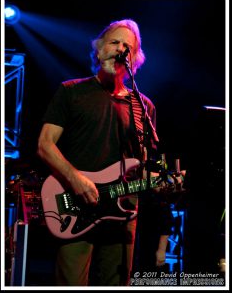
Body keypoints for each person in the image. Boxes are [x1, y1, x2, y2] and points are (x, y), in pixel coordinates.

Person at [37, 19, 172, 286]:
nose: (121, 49)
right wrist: (76, 180)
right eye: (114, 42)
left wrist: (161, 183)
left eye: (128, 47)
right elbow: (45, 145)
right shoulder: (72, 91)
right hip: (76, 206)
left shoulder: (143, 107)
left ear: (134, 60)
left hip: (124, 212)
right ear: (99, 50)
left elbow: (144, 165)